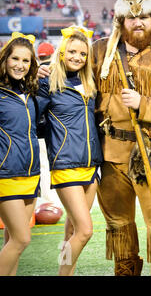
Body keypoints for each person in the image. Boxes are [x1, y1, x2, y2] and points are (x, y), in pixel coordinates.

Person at [92, 0, 151, 276]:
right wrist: (46, 71)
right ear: (121, 20)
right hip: (110, 154)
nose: (138, 22)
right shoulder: (98, 52)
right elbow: (71, 75)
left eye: (144, 16)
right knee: (119, 225)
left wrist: (143, 103)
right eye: (131, 17)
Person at [37, 25, 102, 276]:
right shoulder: (48, 82)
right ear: (61, 53)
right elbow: (33, 120)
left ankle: (68, 273)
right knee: (85, 230)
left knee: (72, 229)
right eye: (72, 52)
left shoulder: (90, 83)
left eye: (83, 54)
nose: (77, 57)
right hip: (65, 165)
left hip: (92, 165)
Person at [0, 32, 40, 275]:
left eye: (26, 61)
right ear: (5, 59)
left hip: (31, 174)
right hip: (5, 174)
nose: (20, 65)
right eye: (15, 59)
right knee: (22, 239)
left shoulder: (31, 92)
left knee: (15, 242)